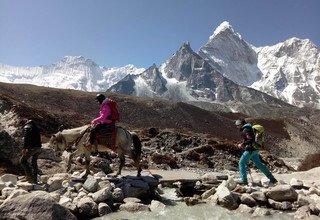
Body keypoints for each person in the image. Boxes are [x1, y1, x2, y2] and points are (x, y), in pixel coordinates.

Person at [235, 119, 277, 185]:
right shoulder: (249, 128)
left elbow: (250, 139)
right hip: (255, 149)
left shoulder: (246, 130)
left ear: (241, 124)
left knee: (241, 163)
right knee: (259, 164)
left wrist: (242, 144)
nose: (237, 127)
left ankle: (244, 181)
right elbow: (251, 138)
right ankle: (272, 178)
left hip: (250, 150)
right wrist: (244, 143)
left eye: (237, 125)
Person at [20, 119, 42, 184]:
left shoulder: (27, 127)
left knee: (23, 161)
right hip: (38, 147)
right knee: (33, 162)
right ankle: (35, 179)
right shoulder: (36, 127)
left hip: (32, 148)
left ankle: (30, 178)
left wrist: (25, 148)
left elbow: (26, 137)